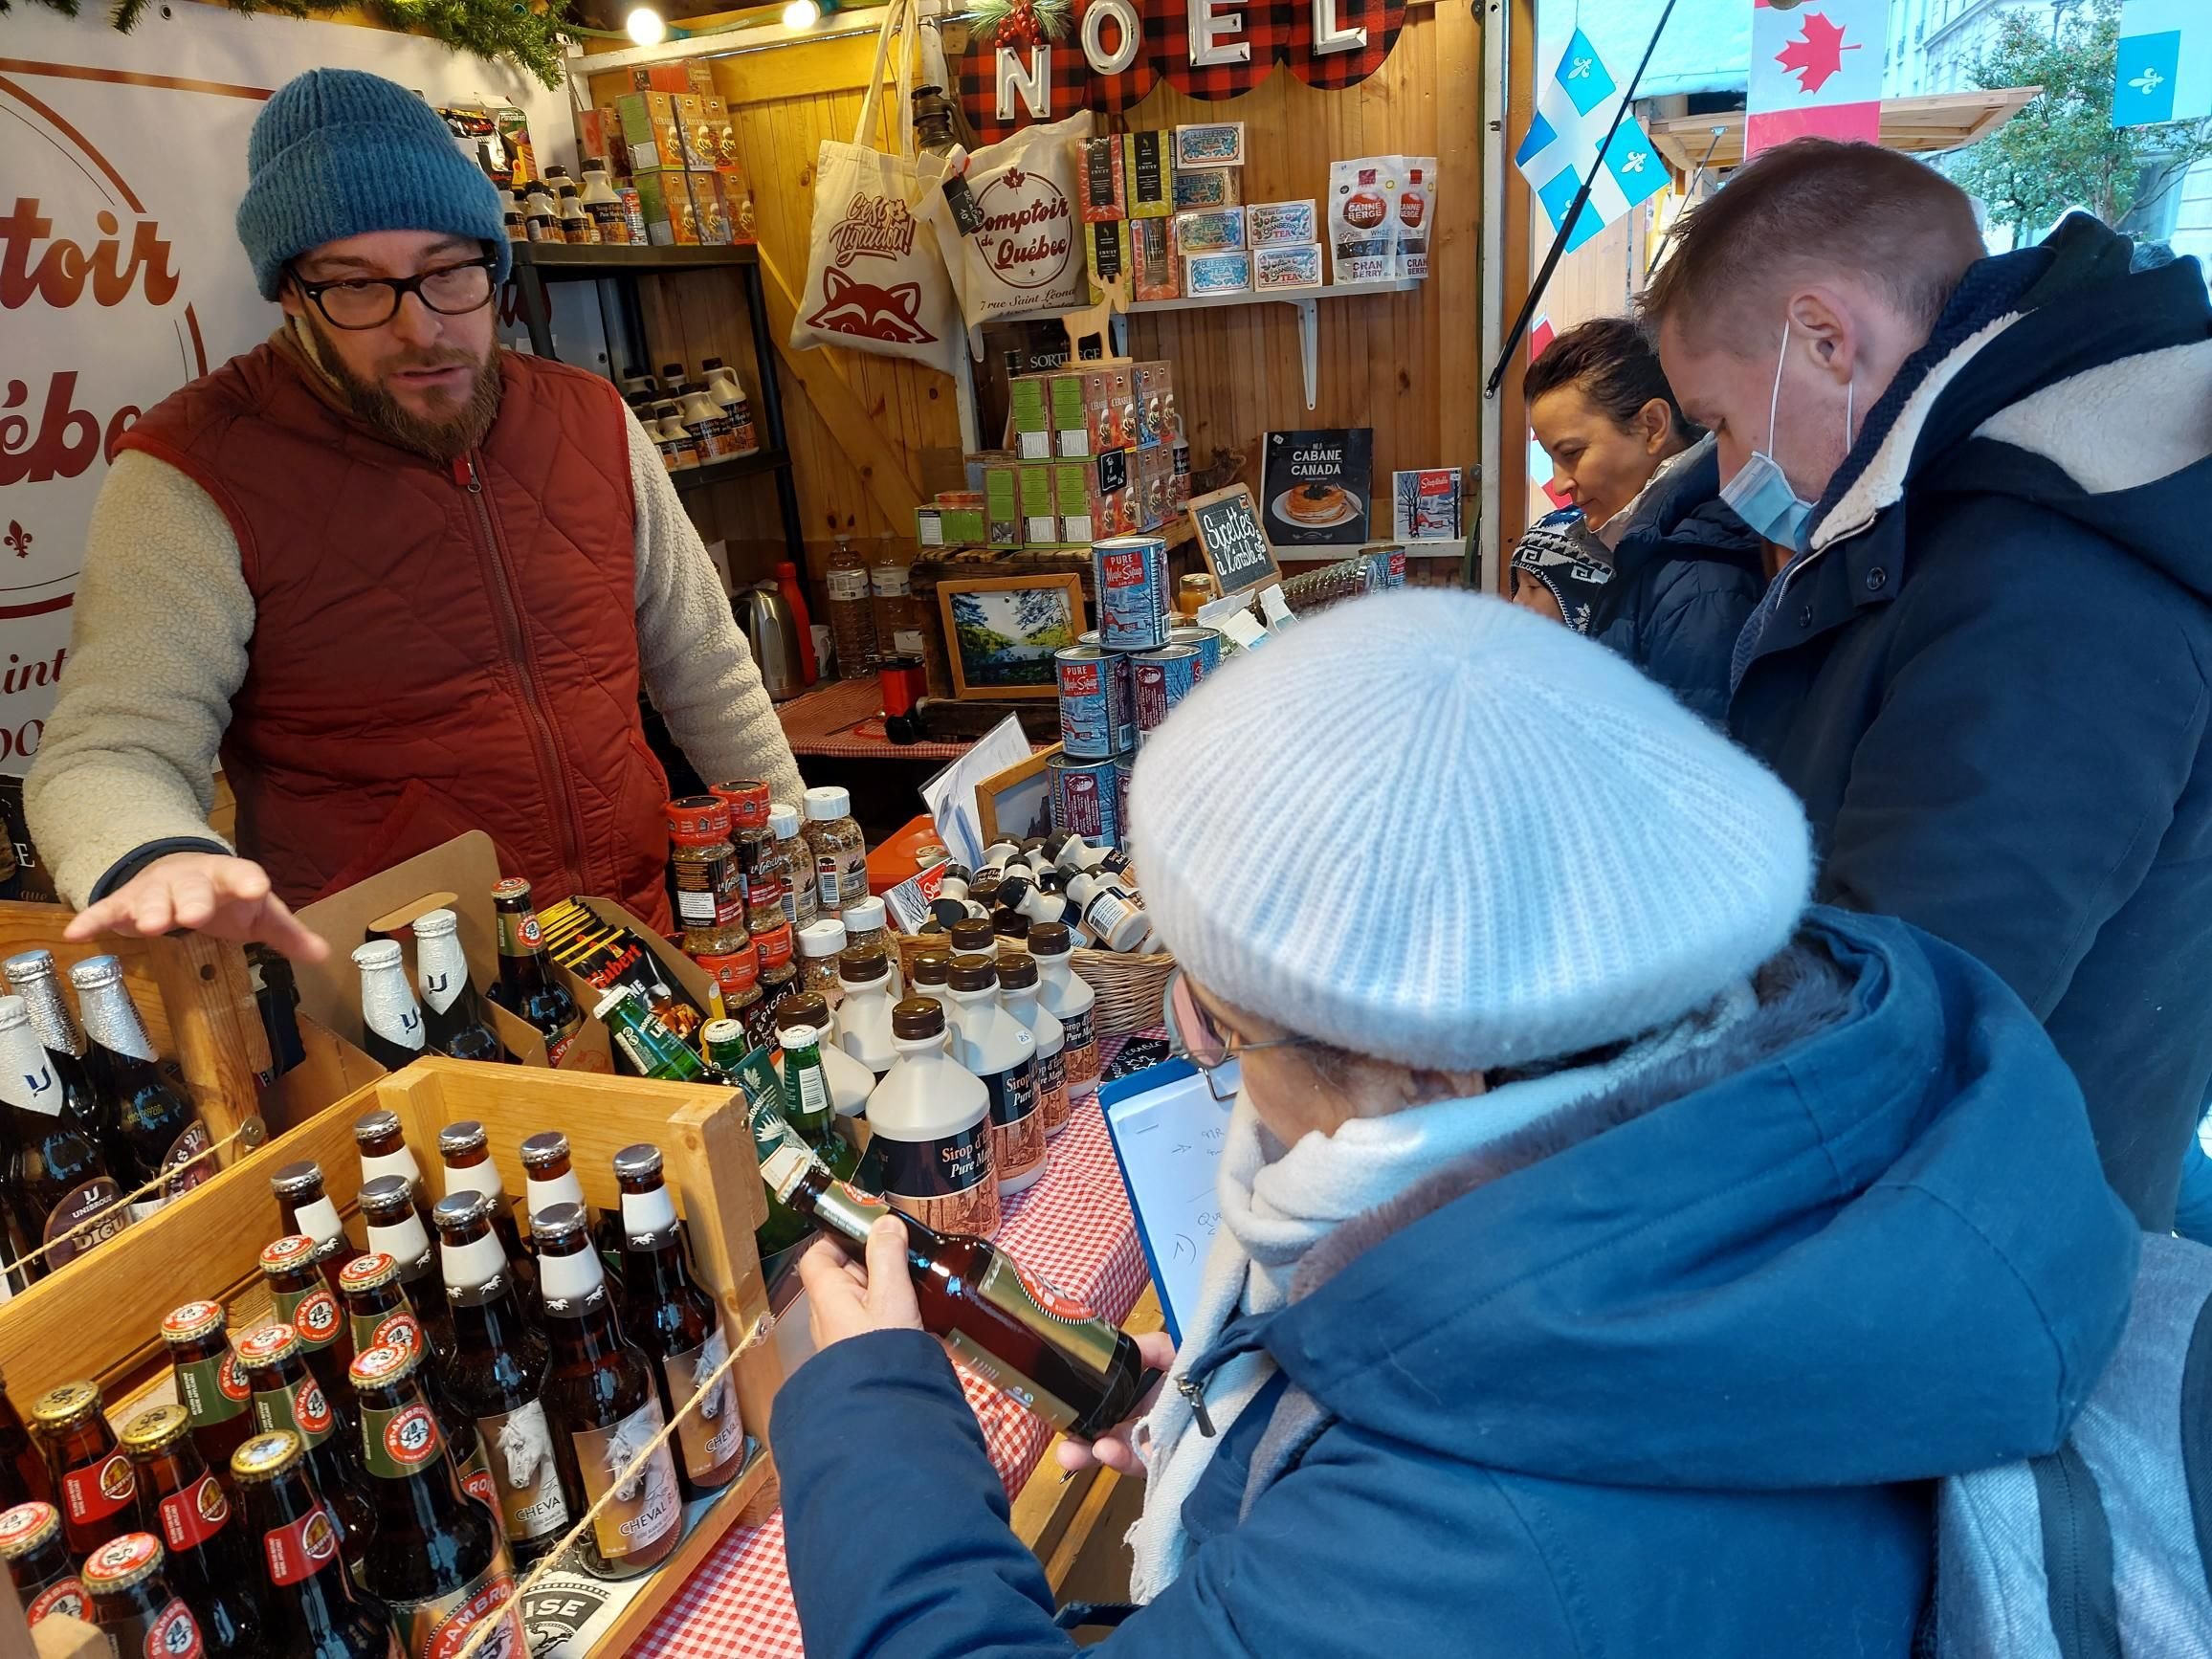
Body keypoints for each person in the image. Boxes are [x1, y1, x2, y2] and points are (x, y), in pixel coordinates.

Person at [771, 592, 2137, 1659]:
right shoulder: (1809, 1057)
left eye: (1228, 1031)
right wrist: (1261, 1433)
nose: (1211, 1059)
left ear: (1430, 1072)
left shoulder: (1482, 1524)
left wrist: (873, 1406)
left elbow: (1443, 1549)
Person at [25, 68, 804, 960]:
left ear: (493, 264)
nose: (421, 327)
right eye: (357, 286)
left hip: (638, 945)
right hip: (401, 995)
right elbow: (109, 749)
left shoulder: (591, 418)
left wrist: (794, 847)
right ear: (290, 292)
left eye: (448, 272)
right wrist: (151, 855)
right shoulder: (190, 470)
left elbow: (705, 665)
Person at [1644, 137, 2212, 1229]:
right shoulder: (1966, 518)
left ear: (1823, 338)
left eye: (1717, 422)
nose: (1721, 478)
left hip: (1983, 1243)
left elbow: (1901, 1024)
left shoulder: (2049, 579)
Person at [1510, 319, 1764, 721]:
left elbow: (1683, 772)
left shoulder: (1698, 582)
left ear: (1652, 427)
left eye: (1572, 453)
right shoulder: (1646, 553)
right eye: (1552, 460)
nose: (1560, 485)